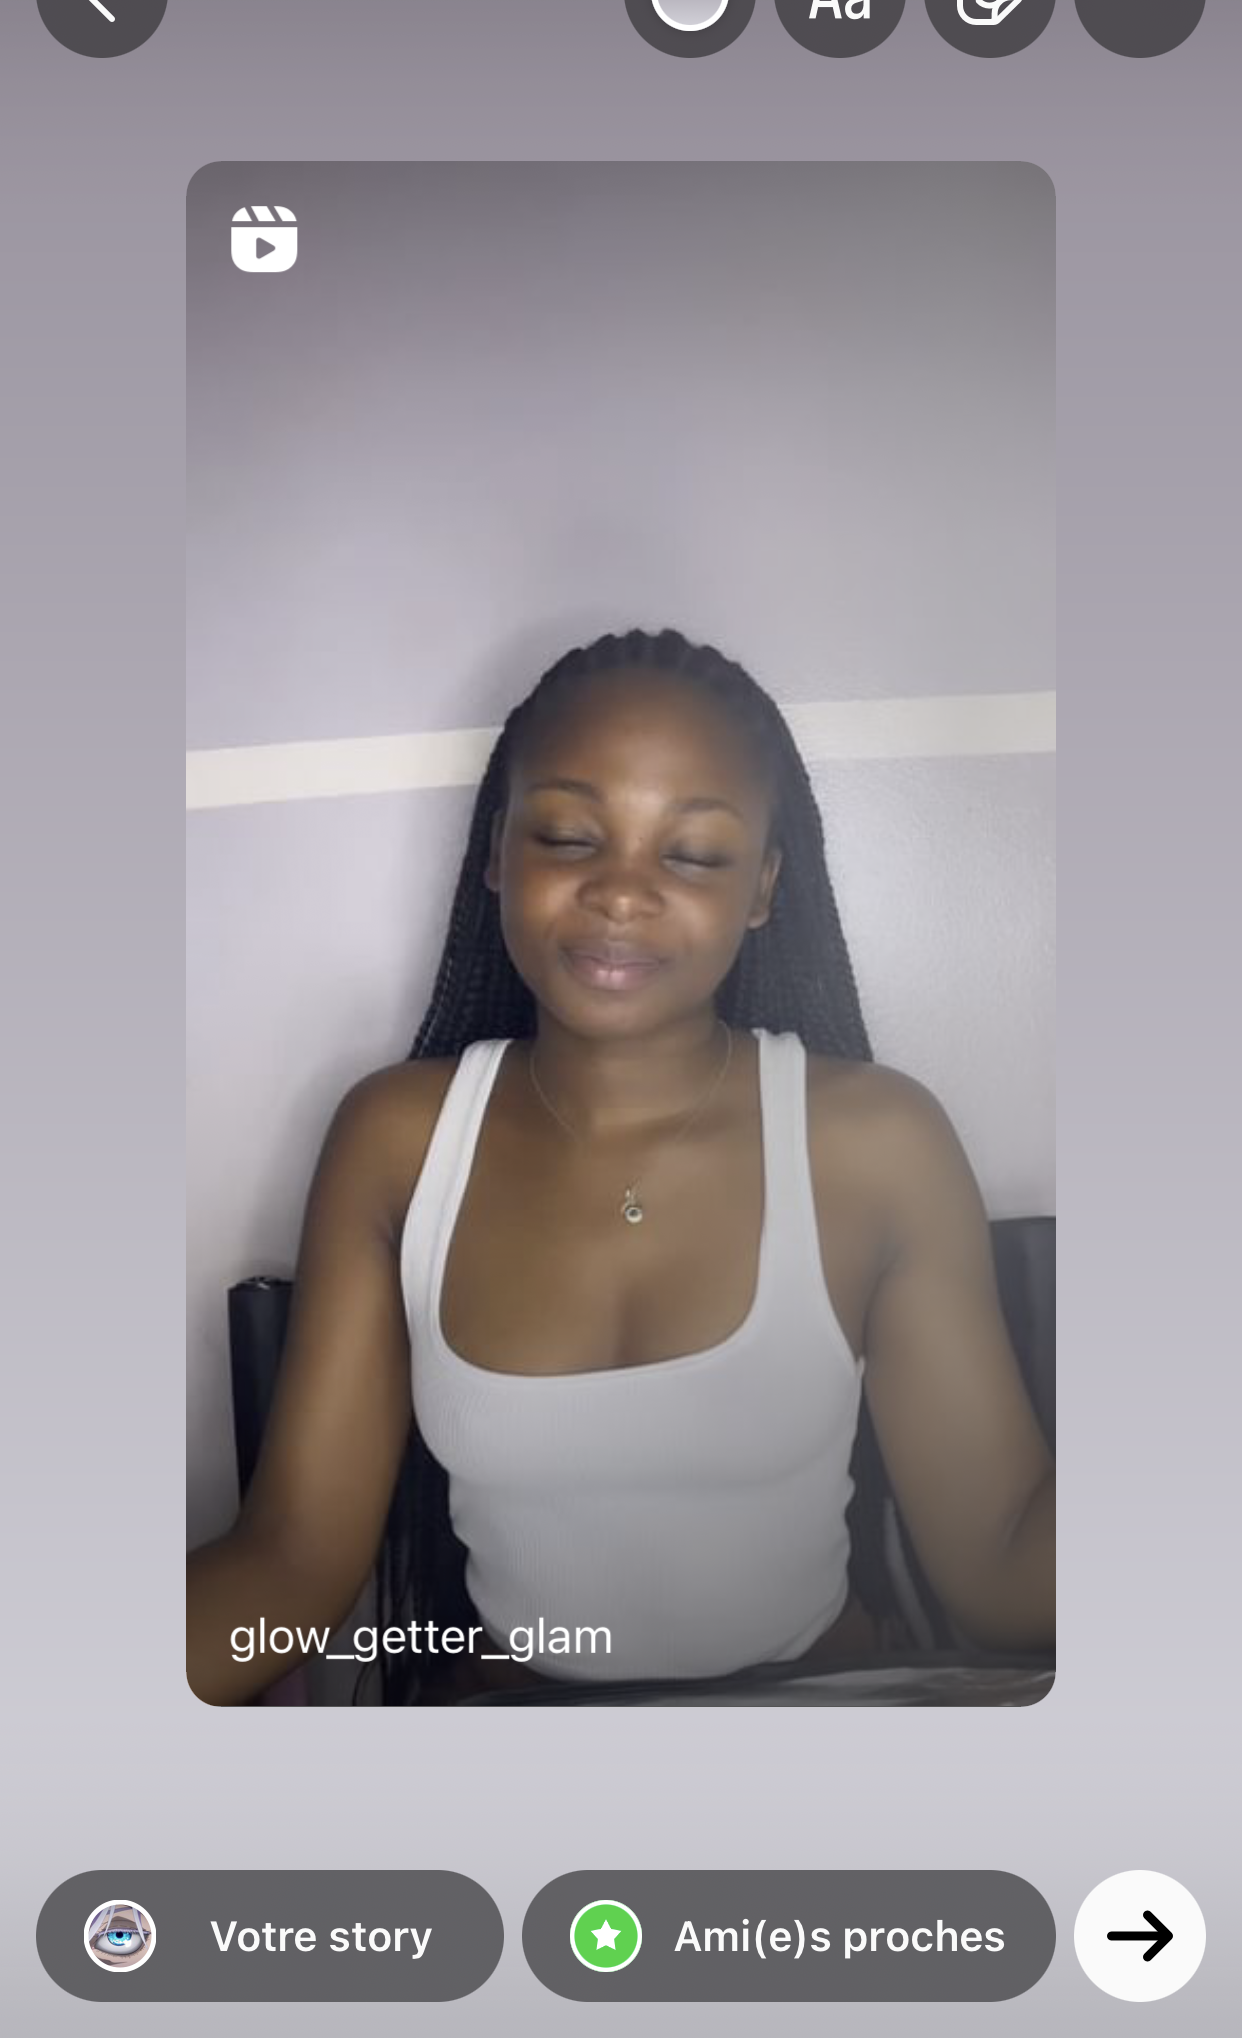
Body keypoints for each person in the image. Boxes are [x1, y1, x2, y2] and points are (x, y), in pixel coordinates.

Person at [187, 628, 1053, 1705]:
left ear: (762, 888)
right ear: (497, 853)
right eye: (567, 835)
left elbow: (1002, 1562)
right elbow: (292, 1563)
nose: (621, 892)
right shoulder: (397, 1139)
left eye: (691, 854)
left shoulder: (877, 1143)